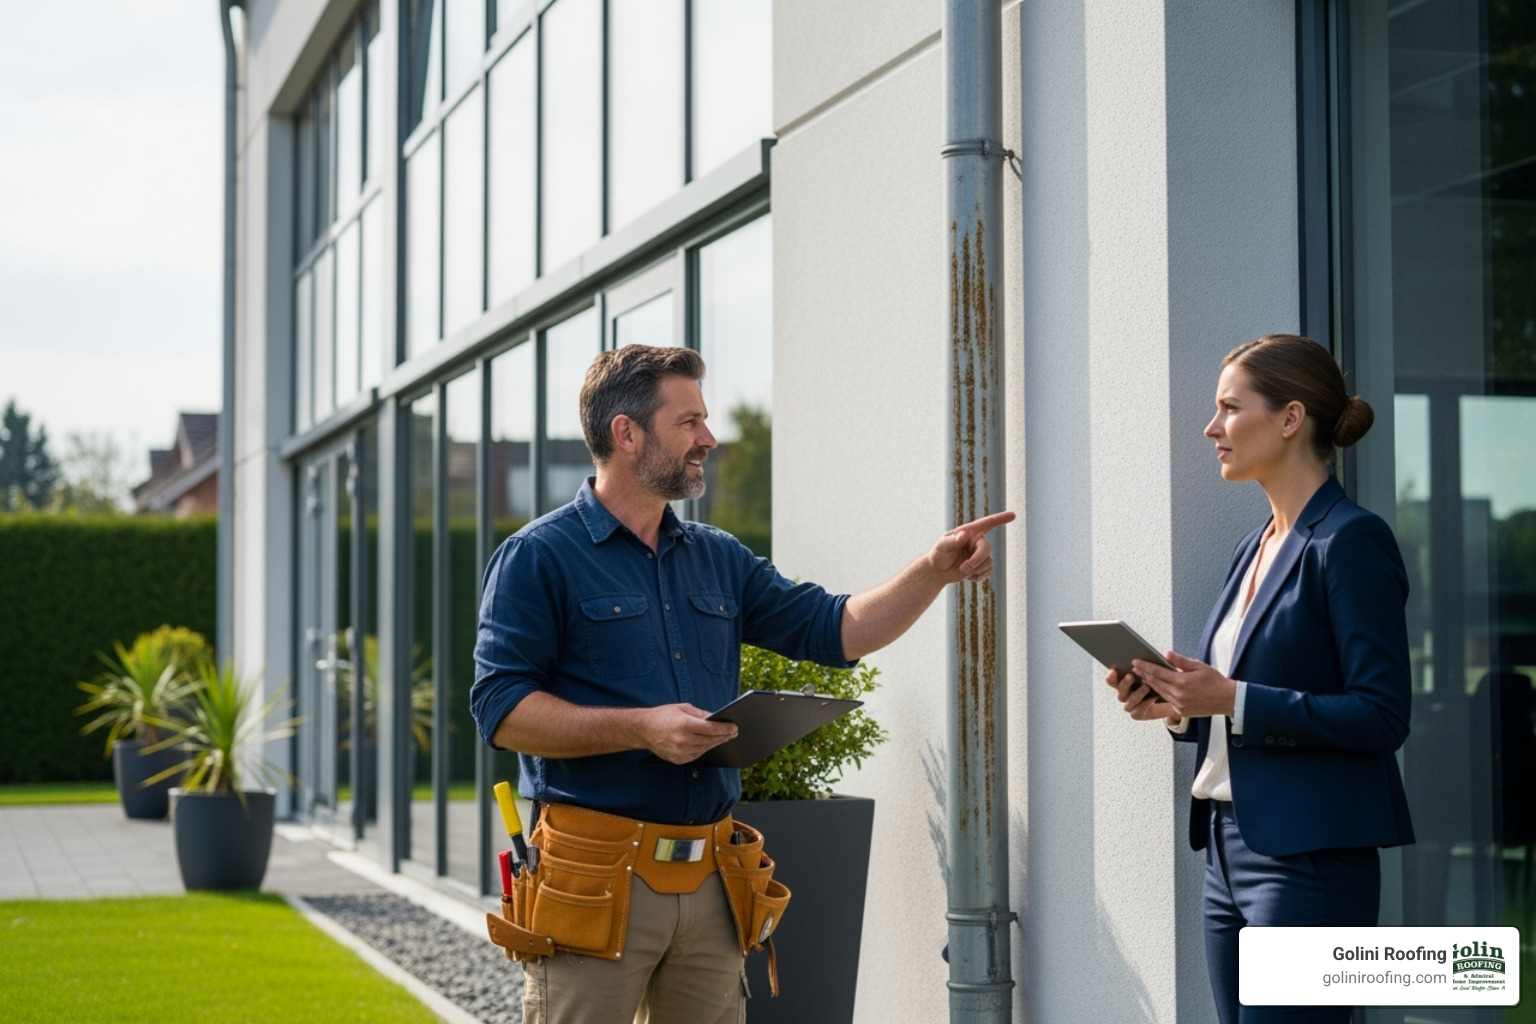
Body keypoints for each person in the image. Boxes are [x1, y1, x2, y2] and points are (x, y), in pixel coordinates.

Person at [471, 344, 1011, 1024]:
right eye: (688, 420)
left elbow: (839, 629)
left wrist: (933, 570)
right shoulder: (537, 558)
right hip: (593, 878)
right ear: (626, 433)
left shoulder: (719, 558)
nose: (709, 438)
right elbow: (502, 710)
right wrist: (641, 728)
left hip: (711, 878)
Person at [1106, 334, 1415, 1024]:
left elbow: (1383, 713)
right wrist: (1180, 705)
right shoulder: (1256, 546)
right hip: (1225, 850)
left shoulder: (1351, 541)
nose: (1211, 428)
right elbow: (1237, 701)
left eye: (1228, 408)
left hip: (1309, 862)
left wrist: (1235, 699)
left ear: (1289, 418)